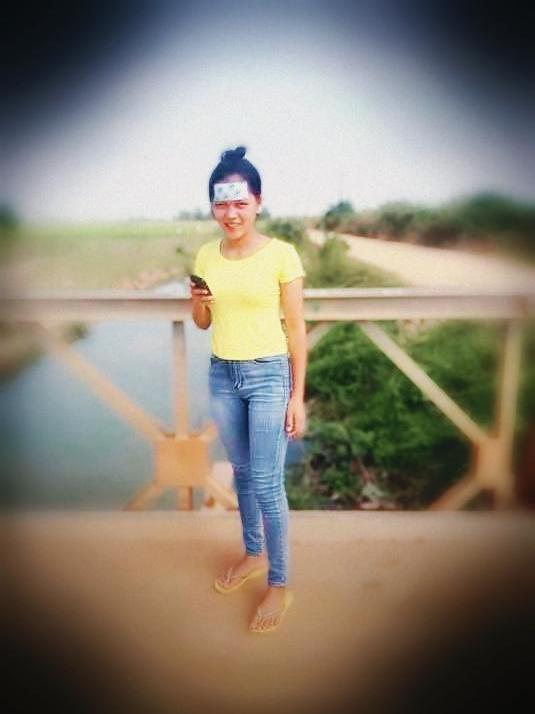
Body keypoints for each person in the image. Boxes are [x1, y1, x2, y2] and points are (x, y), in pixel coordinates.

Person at [190, 146, 307, 634]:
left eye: (241, 202)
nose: (231, 213)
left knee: (266, 482)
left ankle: (279, 582)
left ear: (258, 202)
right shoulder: (205, 255)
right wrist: (198, 301)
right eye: (222, 203)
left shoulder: (282, 254)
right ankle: (253, 553)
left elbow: (296, 329)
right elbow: (202, 321)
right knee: (241, 473)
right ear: (213, 207)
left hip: (268, 376)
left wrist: (297, 396)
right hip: (222, 375)